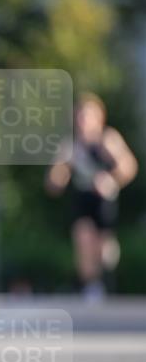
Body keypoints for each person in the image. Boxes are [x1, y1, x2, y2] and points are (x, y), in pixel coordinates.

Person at [45, 93, 138, 301]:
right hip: (82, 198)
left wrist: (111, 179)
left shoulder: (108, 139)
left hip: (104, 200)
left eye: (87, 116)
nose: (83, 121)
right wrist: (59, 171)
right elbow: (55, 181)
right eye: (80, 116)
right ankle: (92, 286)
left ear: (99, 117)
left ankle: (106, 274)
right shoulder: (71, 146)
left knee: (104, 249)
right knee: (83, 240)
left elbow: (129, 166)